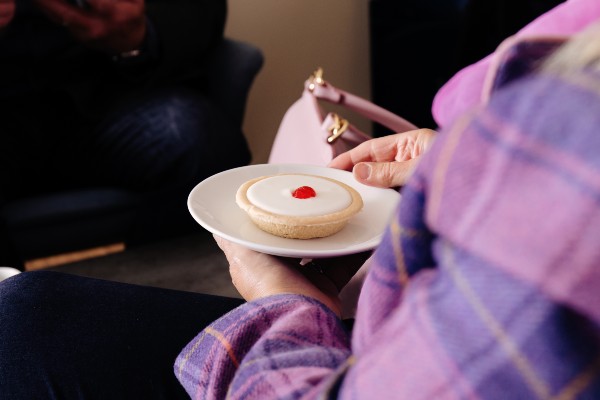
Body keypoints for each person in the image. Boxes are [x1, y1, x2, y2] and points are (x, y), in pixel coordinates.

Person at [2, 3, 600, 400]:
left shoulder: (567, 161)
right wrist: (452, 157)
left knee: (20, 321)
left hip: (360, 351)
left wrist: (284, 304)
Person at [0, 0, 251, 260]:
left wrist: (143, 37)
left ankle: (158, 290)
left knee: (195, 136)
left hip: (104, 100)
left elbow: (199, 10)